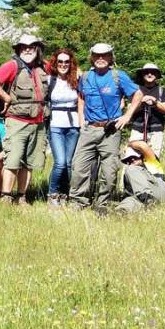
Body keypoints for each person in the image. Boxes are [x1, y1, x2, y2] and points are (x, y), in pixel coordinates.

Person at [67, 43, 142, 210]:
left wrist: (127, 116)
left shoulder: (118, 76)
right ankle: (79, 201)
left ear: (110, 57)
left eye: (105, 55)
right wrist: (81, 121)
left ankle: (102, 203)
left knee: (109, 171)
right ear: (92, 57)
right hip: (89, 129)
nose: (100, 58)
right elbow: (81, 97)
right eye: (97, 55)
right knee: (79, 167)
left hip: (111, 130)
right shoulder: (85, 77)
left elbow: (138, 94)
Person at [0, 34, 51, 205]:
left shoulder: (44, 66)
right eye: (23, 47)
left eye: (31, 46)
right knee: (12, 160)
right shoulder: (12, 65)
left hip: (39, 123)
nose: (27, 50)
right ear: (19, 49)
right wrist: (6, 98)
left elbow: (67, 70)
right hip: (17, 121)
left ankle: (21, 196)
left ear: (38, 49)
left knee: (29, 162)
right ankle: (6, 197)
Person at [45, 48, 82, 207]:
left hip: (73, 125)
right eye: (60, 61)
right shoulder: (49, 80)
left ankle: (64, 193)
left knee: (68, 163)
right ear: (55, 63)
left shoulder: (77, 80)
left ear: (71, 63)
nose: (63, 64)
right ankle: (53, 194)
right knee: (59, 162)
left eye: (67, 61)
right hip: (55, 125)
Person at [116, 140, 165, 214]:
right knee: (130, 201)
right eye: (128, 159)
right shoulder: (132, 175)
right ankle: (120, 212)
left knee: (131, 168)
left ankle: (147, 198)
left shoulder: (150, 161)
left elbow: (142, 145)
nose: (132, 160)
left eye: (134, 157)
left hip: (160, 191)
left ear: (142, 156)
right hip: (147, 198)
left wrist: (129, 145)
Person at [128, 63, 165, 158]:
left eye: (153, 72)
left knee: (153, 160)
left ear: (157, 75)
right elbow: (130, 110)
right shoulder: (135, 90)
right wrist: (140, 102)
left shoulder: (162, 91)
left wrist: (155, 102)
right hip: (137, 130)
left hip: (156, 131)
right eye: (146, 72)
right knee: (132, 158)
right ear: (142, 75)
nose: (149, 74)